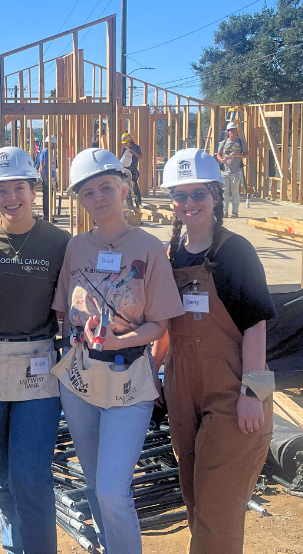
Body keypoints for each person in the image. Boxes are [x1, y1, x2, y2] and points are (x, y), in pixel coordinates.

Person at [51, 148, 184, 554]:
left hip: (129, 380)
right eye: (88, 192)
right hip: (80, 379)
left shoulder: (148, 248)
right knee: (93, 483)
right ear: (80, 199)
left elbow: (160, 325)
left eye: (106, 187)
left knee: (111, 489)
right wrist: (76, 333)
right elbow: (63, 311)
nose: (99, 198)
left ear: (124, 190)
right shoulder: (75, 247)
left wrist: (119, 342)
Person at [157, 148, 275, 554]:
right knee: (194, 495)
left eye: (198, 194)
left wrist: (252, 393)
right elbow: (167, 326)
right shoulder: (170, 254)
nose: (190, 203)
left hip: (231, 388)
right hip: (181, 385)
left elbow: (255, 326)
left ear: (216, 195)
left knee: (218, 506)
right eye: (181, 195)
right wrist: (154, 371)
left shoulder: (235, 252)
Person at [0, 146, 71, 554]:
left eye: (19, 188)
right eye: (1, 190)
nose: (11, 198)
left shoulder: (58, 242)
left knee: (31, 475)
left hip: (38, 363)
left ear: (33, 188)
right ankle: (14, 547)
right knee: (1, 477)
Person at [216, 121, 248, 218]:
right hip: (225, 171)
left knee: (235, 192)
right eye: (231, 130)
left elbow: (247, 154)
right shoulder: (224, 143)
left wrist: (238, 155)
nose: (232, 132)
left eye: (234, 130)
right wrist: (222, 160)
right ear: (228, 132)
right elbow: (218, 154)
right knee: (225, 193)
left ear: (236, 130)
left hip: (236, 171)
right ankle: (224, 212)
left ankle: (234, 212)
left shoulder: (241, 142)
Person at [120, 131, 142, 207]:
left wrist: (133, 152)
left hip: (133, 169)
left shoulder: (136, 148)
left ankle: (138, 203)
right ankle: (129, 204)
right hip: (126, 169)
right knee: (127, 186)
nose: (125, 144)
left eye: (126, 143)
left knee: (135, 185)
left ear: (130, 141)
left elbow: (140, 157)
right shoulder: (125, 149)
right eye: (124, 143)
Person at [39, 135, 57, 220]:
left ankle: (49, 216)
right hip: (47, 178)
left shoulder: (49, 152)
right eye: (53, 143)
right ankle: (46, 216)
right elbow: (42, 165)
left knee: (49, 197)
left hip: (50, 178)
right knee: (47, 197)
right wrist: (45, 179)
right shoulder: (45, 152)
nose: (54, 145)